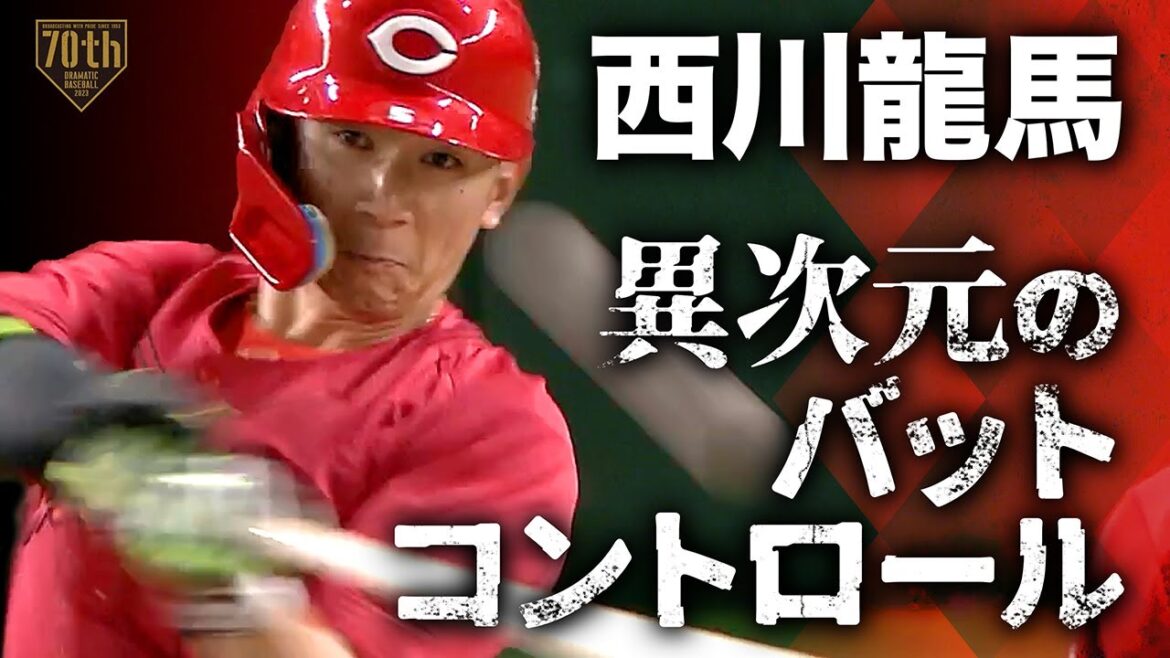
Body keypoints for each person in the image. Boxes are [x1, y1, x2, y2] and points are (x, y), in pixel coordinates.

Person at [0, 1, 578, 657]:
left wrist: (226, 590)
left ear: (499, 191)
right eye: (351, 139)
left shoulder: (496, 432)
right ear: (279, 140)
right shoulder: (152, 289)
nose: (382, 200)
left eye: (440, 161)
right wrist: (72, 413)